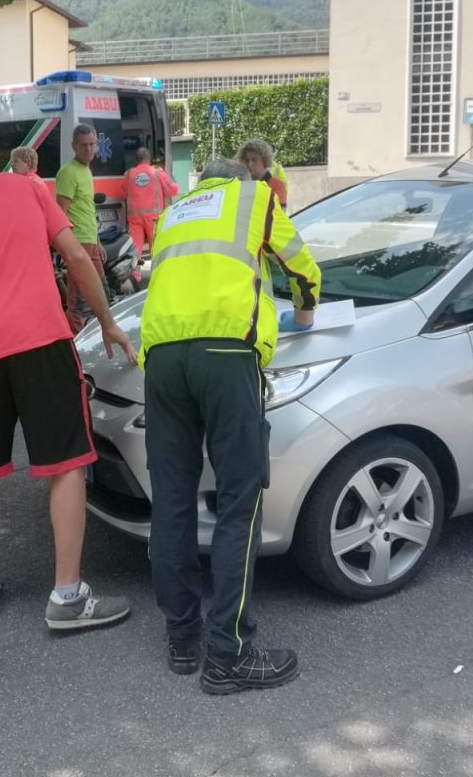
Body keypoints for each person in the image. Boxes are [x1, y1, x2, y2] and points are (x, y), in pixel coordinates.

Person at [0, 155, 134, 630]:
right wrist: (107, 320)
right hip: (41, 339)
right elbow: (77, 256)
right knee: (67, 462)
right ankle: (66, 596)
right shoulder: (24, 186)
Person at [139, 158, 321, 695]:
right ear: (243, 179)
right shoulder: (257, 198)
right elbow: (303, 269)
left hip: (164, 361)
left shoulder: (175, 211)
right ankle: (228, 654)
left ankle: (182, 638)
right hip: (225, 356)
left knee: (171, 498)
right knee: (239, 500)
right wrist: (306, 316)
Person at [55, 124, 107, 333]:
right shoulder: (68, 173)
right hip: (78, 243)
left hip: (90, 241)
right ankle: (73, 341)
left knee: (101, 292)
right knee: (80, 299)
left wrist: (98, 242)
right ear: (74, 146)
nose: (88, 149)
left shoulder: (86, 170)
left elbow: (87, 209)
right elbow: (60, 212)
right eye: (83, 145)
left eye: (92, 144)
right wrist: (70, 246)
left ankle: (98, 334)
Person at [122, 147, 179, 259]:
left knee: (135, 248)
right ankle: (156, 272)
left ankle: (135, 274)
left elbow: (124, 192)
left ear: (136, 160)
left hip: (134, 218)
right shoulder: (157, 173)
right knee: (156, 247)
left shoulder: (129, 174)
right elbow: (172, 190)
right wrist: (174, 182)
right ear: (149, 159)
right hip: (154, 218)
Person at [237, 138, 288, 210]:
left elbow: (279, 214)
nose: (250, 164)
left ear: (265, 161)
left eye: (254, 160)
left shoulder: (276, 185)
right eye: (246, 160)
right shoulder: (240, 184)